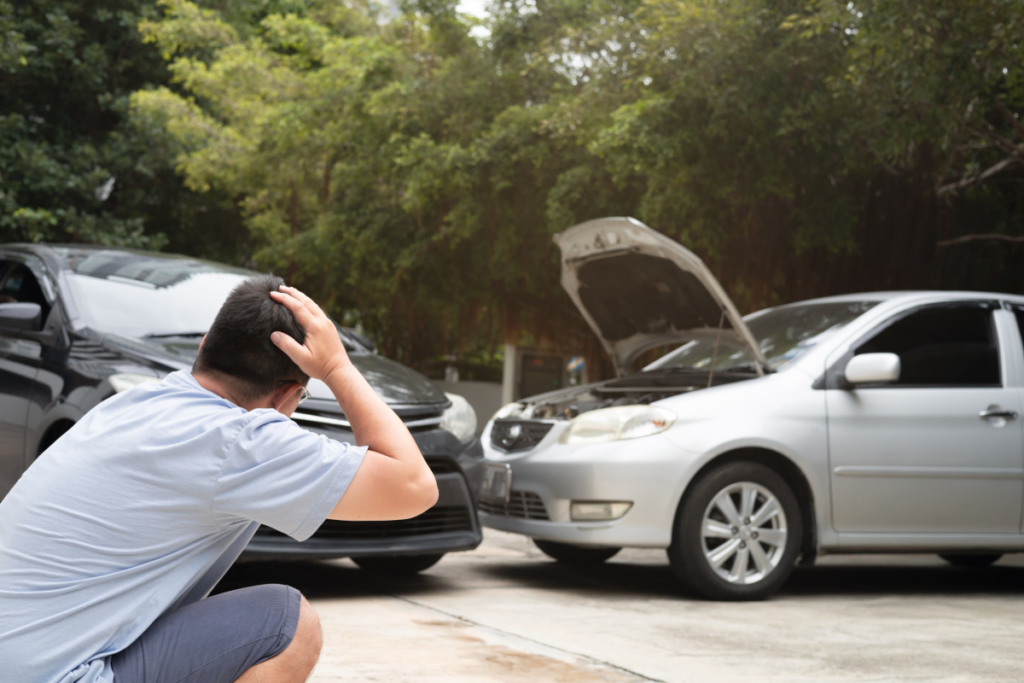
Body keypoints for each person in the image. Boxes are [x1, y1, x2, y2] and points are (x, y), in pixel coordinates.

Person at [0, 276, 438, 683]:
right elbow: (414, 486)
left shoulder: (137, 400)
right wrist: (338, 369)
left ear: (206, 346)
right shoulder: (238, 439)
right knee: (286, 622)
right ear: (287, 396)